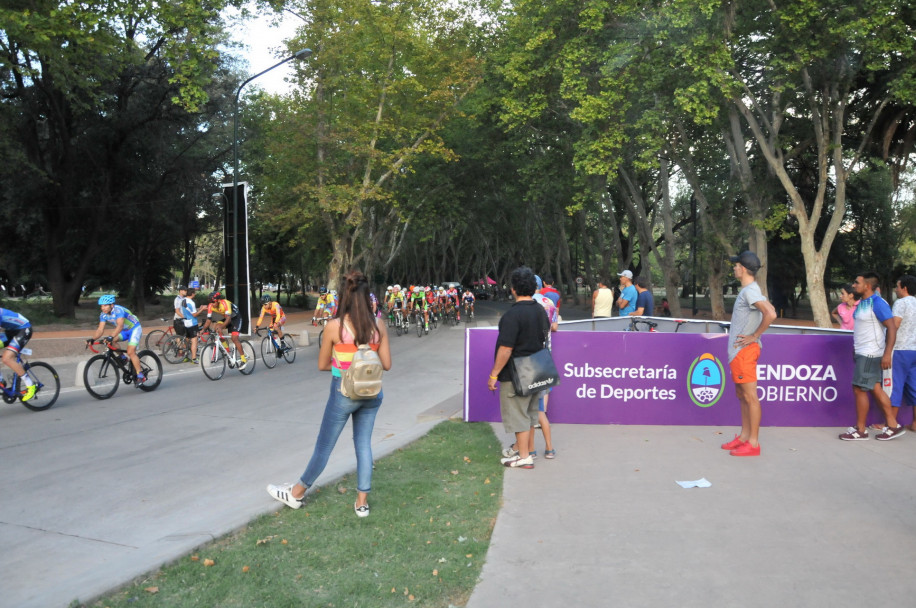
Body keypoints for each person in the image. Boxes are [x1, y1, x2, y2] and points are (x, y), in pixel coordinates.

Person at [267, 269, 392, 516]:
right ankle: (362, 503)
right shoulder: (379, 325)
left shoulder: (334, 327)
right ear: (368, 297)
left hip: (343, 392)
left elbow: (323, 364)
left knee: (324, 447)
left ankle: (296, 493)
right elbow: (386, 364)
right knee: (364, 444)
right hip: (372, 393)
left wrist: (344, 363)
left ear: (343, 297)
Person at [488, 266, 551, 469]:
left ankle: (524, 456)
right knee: (531, 415)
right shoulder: (541, 310)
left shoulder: (511, 316)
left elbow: (506, 348)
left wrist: (494, 374)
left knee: (518, 416)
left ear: (513, 288)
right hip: (537, 367)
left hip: (515, 372)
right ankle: (526, 452)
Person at [720, 251, 777, 456]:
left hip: (744, 352)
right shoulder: (750, 290)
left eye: (736, 265)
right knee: (742, 395)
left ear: (743, 268)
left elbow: (770, 313)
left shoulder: (749, 291)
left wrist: (755, 335)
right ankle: (744, 437)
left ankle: (753, 444)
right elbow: (770, 309)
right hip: (739, 353)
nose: (734, 268)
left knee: (750, 397)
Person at [839, 271, 901, 440]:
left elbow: (892, 328)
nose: (853, 285)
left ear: (866, 286)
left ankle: (861, 430)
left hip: (870, 354)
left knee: (859, 388)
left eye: (856, 283)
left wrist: (887, 353)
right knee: (875, 387)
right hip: (863, 352)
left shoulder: (878, 303)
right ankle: (893, 425)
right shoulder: (863, 303)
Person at [89, 295, 146, 383]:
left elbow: (120, 326)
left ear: (111, 305)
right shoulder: (103, 315)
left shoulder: (118, 310)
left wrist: (111, 336)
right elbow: (100, 330)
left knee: (130, 352)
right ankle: (123, 357)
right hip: (124, 331)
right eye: (101, 306)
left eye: (105, 305)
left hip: (134, 329)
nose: (102, 308)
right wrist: (92, 339)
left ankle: (140, 375)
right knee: (110, 342)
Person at [890, 275, 916, 432]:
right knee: (914, 387)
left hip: (900, 349)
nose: (895, 289)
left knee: (895, 386)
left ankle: (890, 424)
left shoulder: (900, 303)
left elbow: (895, 325)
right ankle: (915, 423)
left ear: (904, 288)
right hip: (914, 350)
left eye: (897, 286)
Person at [201, 292, 248, 369]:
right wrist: (203, 330)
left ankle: (243, 360)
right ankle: (228, 352)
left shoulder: (225, 303)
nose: (211, 304)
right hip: (227, 318)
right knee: (217, 328)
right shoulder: (210, 306)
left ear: (218, 300)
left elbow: (229, 319)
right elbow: (208, 320)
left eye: (213, 302)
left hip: (236, 318)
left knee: (234, 338)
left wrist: (222, 326)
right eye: (210, 302)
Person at [0, 308, 37, 401]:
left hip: (24, 329)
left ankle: (31, 385)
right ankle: (1, 380)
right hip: (11, 331)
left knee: (7, 359)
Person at [179, 287, 202, 364]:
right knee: (194, 340)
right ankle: (194, 358)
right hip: (192, 323)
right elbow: (194, 314)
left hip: (186, 322)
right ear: (192, 294)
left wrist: (199, 308)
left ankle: (186, 356)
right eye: (194, 293)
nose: (195, 294)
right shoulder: (191, 302)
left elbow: (189, 310)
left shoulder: (183, 301)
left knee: (187, 340)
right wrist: (201, 310)